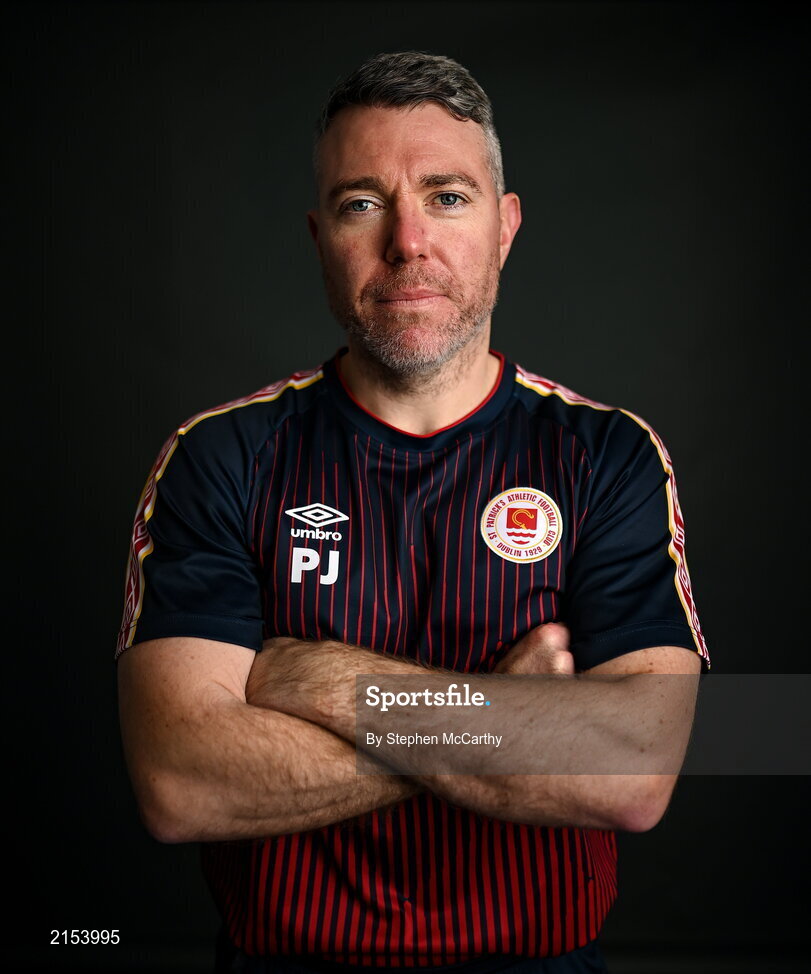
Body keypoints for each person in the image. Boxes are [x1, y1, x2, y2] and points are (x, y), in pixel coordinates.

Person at [116, 51, 710, 974]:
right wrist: (503, 723)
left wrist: (319, 683)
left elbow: (634, 771)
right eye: (362, 203)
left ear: (505, 227)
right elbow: (180, 784)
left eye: (447, 196)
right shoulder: (221, 457)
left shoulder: (608, 455)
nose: (407, 242)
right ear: (318, 235)